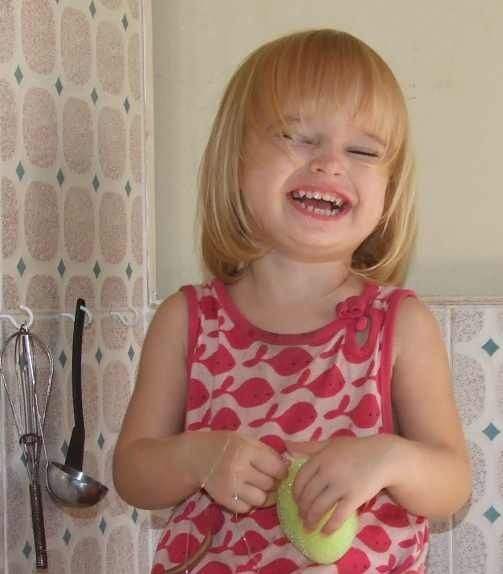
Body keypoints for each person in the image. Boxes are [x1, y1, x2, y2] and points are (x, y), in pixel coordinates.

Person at [113, 29, 471, 573]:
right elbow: (132, 473)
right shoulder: (187, 321)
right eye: (297, 137)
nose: (329, 164)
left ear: (390, 188)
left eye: (362, 150)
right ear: (237, 160)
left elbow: (452, 484)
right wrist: (196, 456)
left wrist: (390, 459)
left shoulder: (399, 325)